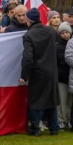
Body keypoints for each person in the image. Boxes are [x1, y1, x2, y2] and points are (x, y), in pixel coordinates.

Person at [20, 8, 59, 136]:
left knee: (35, 100)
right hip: (52, 71)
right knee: (52, 100)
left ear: (28, 20)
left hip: (37, 71)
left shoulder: (28, 35)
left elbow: (28, 57)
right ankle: (54, 128)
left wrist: (24, 75)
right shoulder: (50, 31)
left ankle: (35, 128)